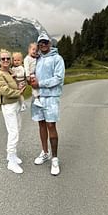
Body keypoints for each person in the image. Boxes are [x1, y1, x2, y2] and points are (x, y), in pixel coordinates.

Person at [30, 33, 65, 176]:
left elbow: (58, 78)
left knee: (51, 125)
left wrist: (40, 84)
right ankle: (45, 152)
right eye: (40, 43)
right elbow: (33, 76)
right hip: (38, 97)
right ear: (38, 45)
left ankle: (55, 159)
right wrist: (31, 81)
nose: (43, 45)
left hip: (51, 97)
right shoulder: (37, 59)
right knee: (41, 124)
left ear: (49, 43)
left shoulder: (57, 58)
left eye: (45, 42)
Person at [0, 49, 26, 174]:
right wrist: (19, 92)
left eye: (8, 58)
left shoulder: (10, 71)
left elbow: (17, 80)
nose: (6, 60)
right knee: (13, 132)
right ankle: (11, 163)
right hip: (8, 106)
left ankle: (12, 155)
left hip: (16, 103)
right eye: (3, 59)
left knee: (17, 128)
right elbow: (5, 91)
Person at [24, 42, 43, 107]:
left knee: (38, 86)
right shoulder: (27, 59)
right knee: (34, 86)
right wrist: (27, 76)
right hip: (31, 74)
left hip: (36, 74)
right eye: (33, 49)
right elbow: (26, 68)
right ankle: (36, 99)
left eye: (36, 50)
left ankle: (39, 97)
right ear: (29, 50)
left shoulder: (35, 57)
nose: (35, 51)